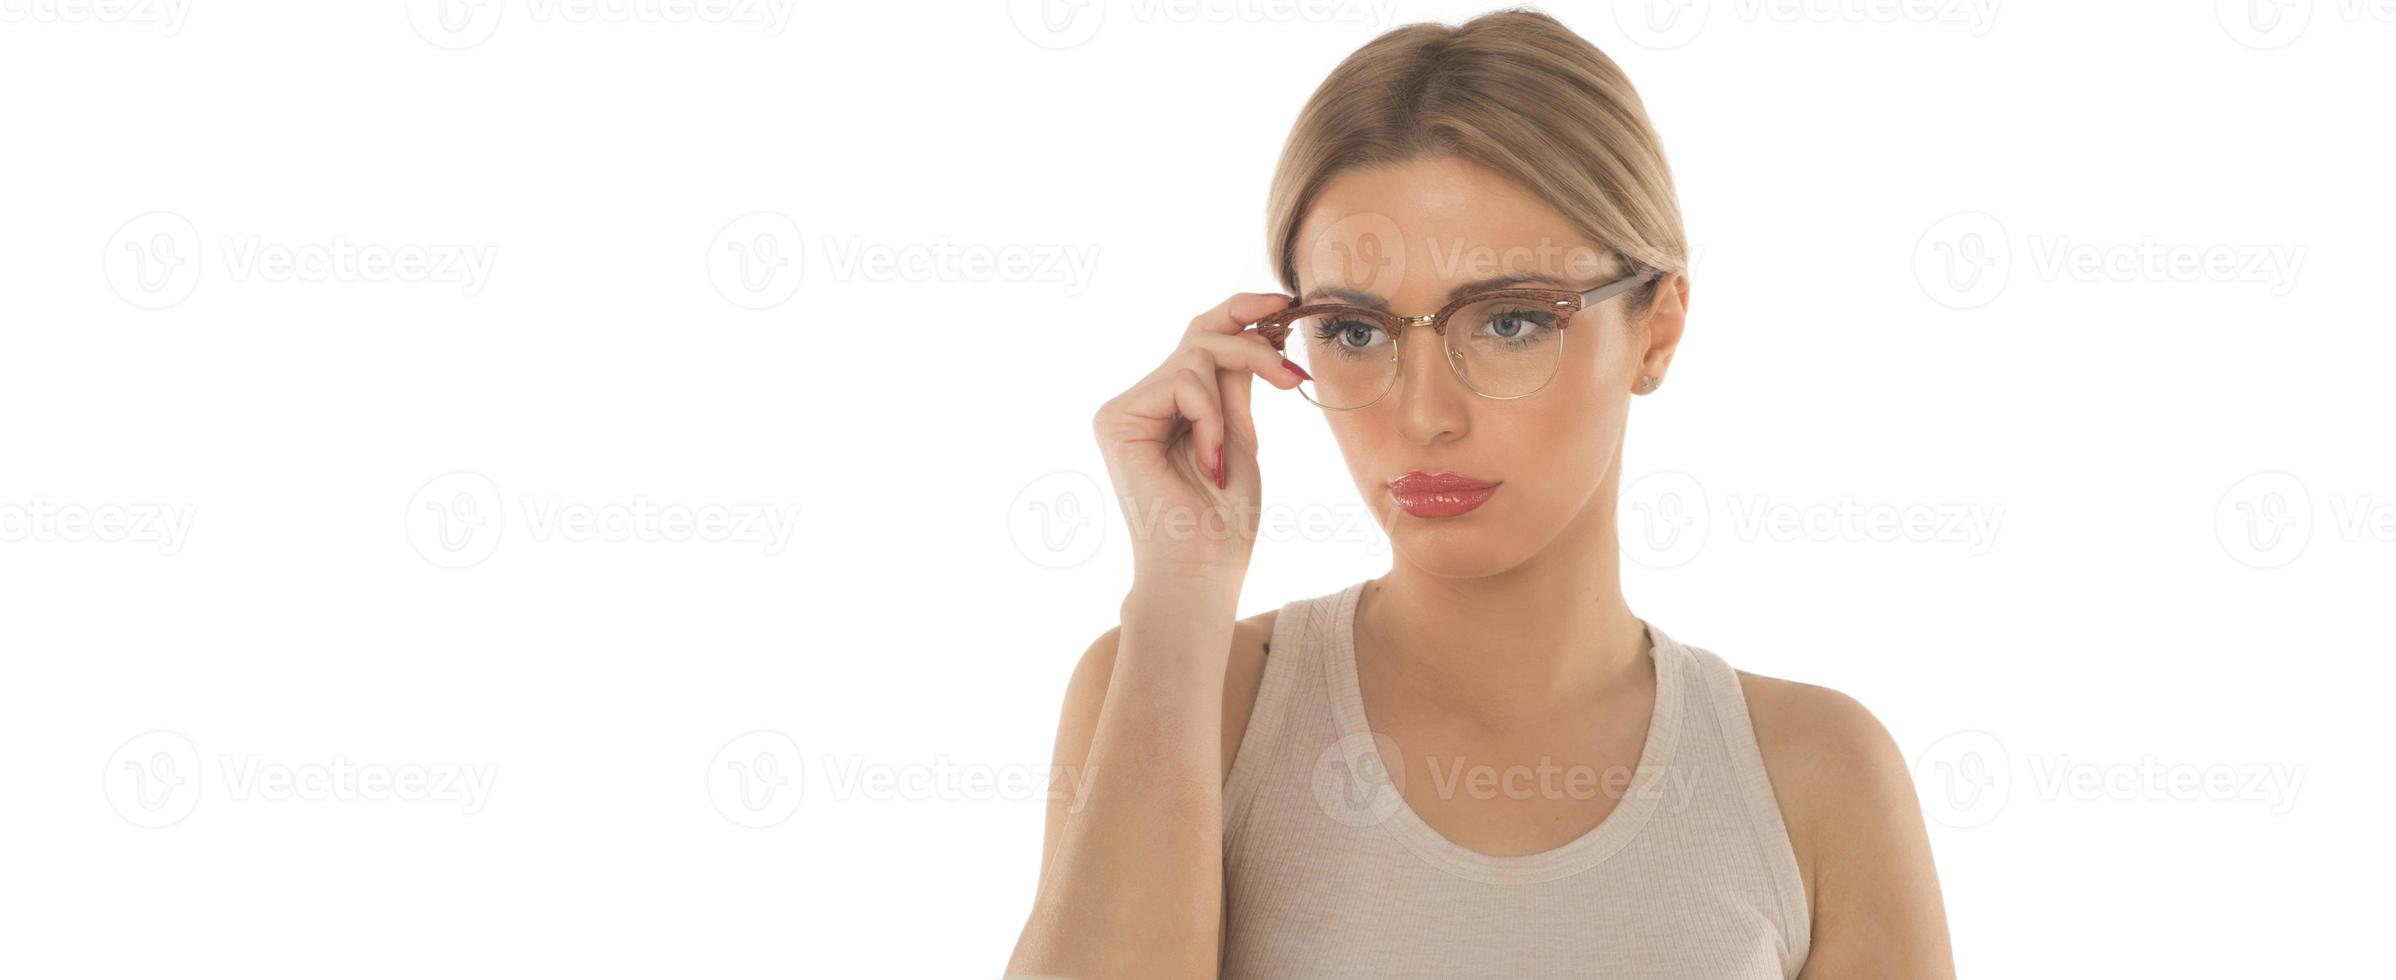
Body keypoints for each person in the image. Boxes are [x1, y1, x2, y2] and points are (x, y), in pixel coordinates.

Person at [1008, 10, 1954, 978]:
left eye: (1506, 320)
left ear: (1657, 327)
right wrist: (1179, 585)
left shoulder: (1816, 775)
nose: (1423, 414)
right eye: (1354, 330)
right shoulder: (1184, 689)